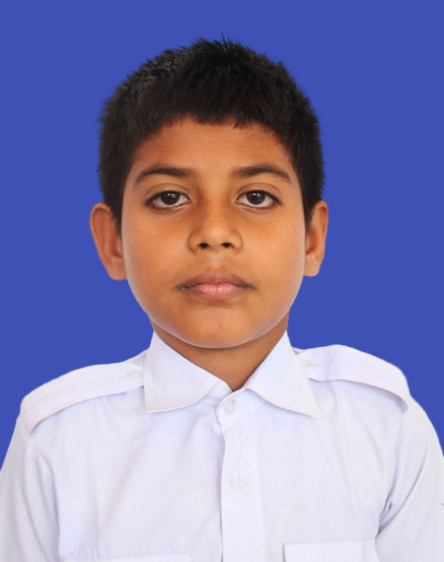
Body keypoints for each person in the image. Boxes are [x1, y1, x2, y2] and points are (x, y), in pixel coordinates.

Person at [0, 38, 442, 562]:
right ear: (112, 241)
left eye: (256, 197)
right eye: (170, 197)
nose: (214, 233)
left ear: (311, 238)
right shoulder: (57, 441)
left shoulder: (384, 427)